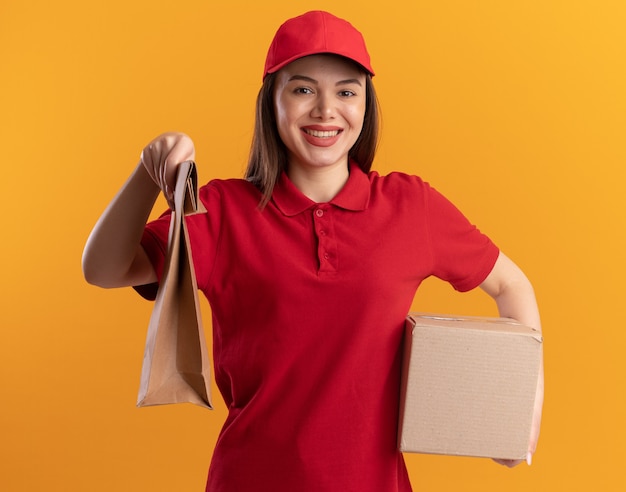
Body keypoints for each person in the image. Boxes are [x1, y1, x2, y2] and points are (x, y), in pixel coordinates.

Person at [82, 10, 543, 492]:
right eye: (302, 90)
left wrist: (520, 418)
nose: (326, 110)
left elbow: (511, 285)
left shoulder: (411, 207)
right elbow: (105, 269)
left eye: (346, 92)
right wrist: (145, 173)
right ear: (271, 103)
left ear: (366, 106)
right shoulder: (221, 213)